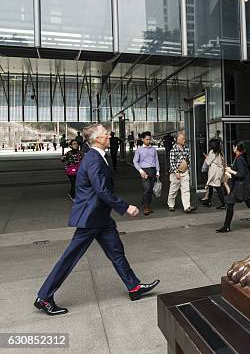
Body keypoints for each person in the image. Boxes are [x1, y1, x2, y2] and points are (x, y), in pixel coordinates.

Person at [34, 124, 159, 316]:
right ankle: (44, 298)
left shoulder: (99, 157)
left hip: (101, 217)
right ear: (98, 139)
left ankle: (134, 287)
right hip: (90, 218)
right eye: (106, 134)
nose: (109, 135)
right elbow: (102, 190)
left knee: (116, 252)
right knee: (70, 257)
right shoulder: (93, 159)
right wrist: (125, 207)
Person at [216, 141, 250, 233]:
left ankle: (226, 226)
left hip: (240, 187)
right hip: (244, 186)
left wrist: (230, 171)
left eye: (234, 146)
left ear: (237, 148)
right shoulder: (241, 157)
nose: (233, 148)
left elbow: (241, 174)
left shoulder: (239, 159)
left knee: (230, 203)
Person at [167, 132, 197, 213]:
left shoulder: (186, 148)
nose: (184, 140)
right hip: (176, 173)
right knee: (173, 190)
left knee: (186, 190)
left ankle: (187, 207)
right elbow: (172, 162)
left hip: (185, 172)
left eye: (184, 138)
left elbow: (189, 159)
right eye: (183, 139)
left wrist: (187, 168)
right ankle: (171, 205)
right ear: (178, 140)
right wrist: (176, 172)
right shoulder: (173, 150)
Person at [133, 131, 160, 216]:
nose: (149, 141)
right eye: (147, 139)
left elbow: (156, 160)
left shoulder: (153, 149)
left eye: (149, 139)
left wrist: (158, 171)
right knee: (147, 189)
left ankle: (146, 204)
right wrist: (140, 170)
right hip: (144, 171)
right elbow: (135, 161)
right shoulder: (139, 150)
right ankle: (145, 207)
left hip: (153, 170)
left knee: (150, 190)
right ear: (143, 139)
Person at [201, 138, 226, 209]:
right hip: (219, 171)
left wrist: (207, 157)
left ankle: (223, 204)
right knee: (211, 187)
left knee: (218, 188)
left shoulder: (212, 152)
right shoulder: (220, 152)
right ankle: (208, 201)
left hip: (214, 172)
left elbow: (208, 162)